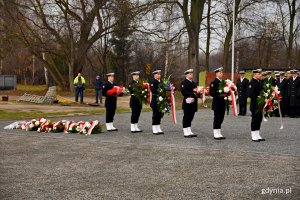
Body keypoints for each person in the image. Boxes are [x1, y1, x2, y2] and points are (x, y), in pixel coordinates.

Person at [247, 68, 265, 142]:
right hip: (255, 104)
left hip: (261, 104)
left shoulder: (260, 82)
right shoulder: (251, 83)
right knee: (255, 119)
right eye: (259, 74)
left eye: (260, 74)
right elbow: (250, 94)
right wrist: (258, 97)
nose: (260, 75)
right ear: (254, 74)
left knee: (259, 119)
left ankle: (257, 134)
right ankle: (253, 135)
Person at [209, 67, 226, 140]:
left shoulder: (223, 82)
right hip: (217, 103)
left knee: (221, 118)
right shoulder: (214, 83)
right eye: (220, 73)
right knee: (217, 118)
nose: (221, 74)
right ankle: (216, 133)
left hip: (222, 103)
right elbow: (212, 93)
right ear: (216, 74)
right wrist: (221, 95)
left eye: (222, 72)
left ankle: (219, 132)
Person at [181, 69, 198, 138]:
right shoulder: (183, 82)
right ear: (186, 75)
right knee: (186, 116)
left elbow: (196, 91)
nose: (191, 75)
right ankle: (185, 131)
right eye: (190, 74)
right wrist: (193, 94)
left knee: (191, 116)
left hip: (193, 103)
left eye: (192, 74)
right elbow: (184, 92)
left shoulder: (194, 83)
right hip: (187, 102)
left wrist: (200, 93)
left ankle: (189, 130)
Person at [150, 70, 164, 135]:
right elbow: (153, 90)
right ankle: (154, 127)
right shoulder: (153, 82)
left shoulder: (161, 81)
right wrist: (160, 91)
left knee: (159, 114)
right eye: (157, 74)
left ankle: (158, 127)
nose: (159, 75)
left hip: (161, 100)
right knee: (155, 114)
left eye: (159, 74)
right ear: (154, 75)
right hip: (155, 99)